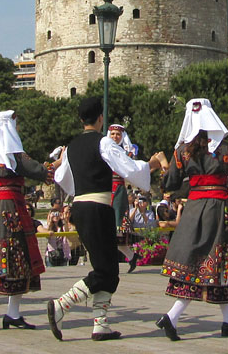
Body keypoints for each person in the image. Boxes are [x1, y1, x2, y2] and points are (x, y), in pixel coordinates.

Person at [48, 97, 163, 341]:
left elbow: (63, 177)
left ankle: (100, 324)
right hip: (98, 207)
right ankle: (62, 305)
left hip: (80, 206)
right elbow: (128, 168)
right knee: (105, 270)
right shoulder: (103, 143)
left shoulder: (72, 146)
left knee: (107, 266)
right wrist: (151, 165)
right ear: (100, 118)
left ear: (81, 120)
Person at [156, 98, 228, 341]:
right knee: (210, 262)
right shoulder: (225, 149)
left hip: (194, 209)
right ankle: (172, 316)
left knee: (204, 263)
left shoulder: (182, 151)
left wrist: (165, 165)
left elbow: (170, 184)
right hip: (217, 209)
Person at [0, 110, 58, 330]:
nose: (17, 130)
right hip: (8, 206)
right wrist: (54, 165)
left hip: (11, 202)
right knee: (13, 257)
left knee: (23, 258)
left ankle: (13, 313)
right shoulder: (11, 156)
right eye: (15, 126)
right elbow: (33, 167)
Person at [107, 124, 141, 272]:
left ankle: (113, 264)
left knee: (115, 229)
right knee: (108, 231)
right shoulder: (104, 151)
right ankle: (132, 257)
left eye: (118, 135)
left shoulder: (126, 153)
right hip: (105, 190)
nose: (115, 137)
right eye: (113, 134)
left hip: (118, 191)